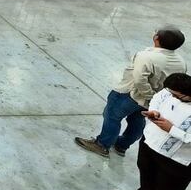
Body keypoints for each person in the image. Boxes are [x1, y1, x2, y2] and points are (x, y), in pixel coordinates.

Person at [76, 28, 186, 158]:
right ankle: (122, 145)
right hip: (150, 101)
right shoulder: (180, 62)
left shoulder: (146, 56)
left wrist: (149, 95)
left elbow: (139, 80)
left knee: (112, 117)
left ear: (156, 38)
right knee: (137, 120)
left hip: (129, 95)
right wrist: (154, 98)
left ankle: (102, 145)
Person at [109, 73, 191, 190]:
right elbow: (158, 97)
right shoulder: (170, 91)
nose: (172, 96)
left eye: (176, 95)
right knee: (146, 172)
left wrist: (171, 129)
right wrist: (154, 111)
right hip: (151, 142)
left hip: (178, 160)